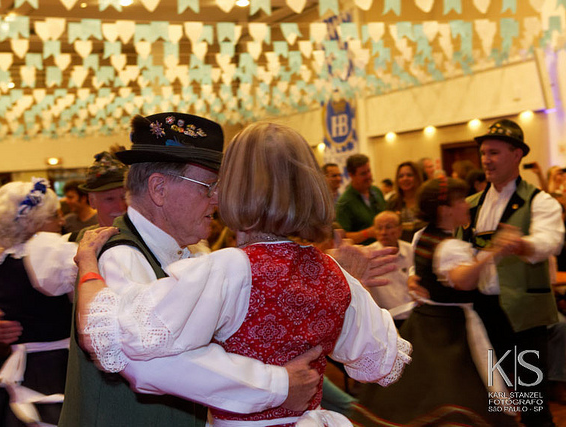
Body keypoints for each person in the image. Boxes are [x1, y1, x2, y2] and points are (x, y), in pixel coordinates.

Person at [75, 122, 412, 427]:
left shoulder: (224, 268)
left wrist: (88, 272)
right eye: (208, 185)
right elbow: (379, 362)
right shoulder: (333, 272)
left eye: (218, 186)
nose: (215, 198)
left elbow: (112, 333)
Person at [57, 114, 326, 427]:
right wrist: (278, 385)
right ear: (159, 189)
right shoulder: (119, 256)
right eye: (208, 187)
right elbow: (154, 365)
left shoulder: (193, 252)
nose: (217, 200)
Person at [355, 177, 518, 426]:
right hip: (447, 330)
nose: (466, 205)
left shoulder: (423, 235)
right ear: (445, 209)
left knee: (422, 393)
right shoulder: (449, 245)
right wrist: (495, 251)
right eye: (461, 201)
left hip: (424, 322)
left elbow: (424, 267)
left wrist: (414, 278)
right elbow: (463, 280)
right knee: (455, 395)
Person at [458, 119, 564, 426]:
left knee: (532, 404)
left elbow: (550, 241)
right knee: (495, 399)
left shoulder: (540, 201)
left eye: (494, 153)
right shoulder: (471, 205)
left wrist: (523, 245)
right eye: (483, 153)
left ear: (517, 154)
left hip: (523, 316)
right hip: (483, 314)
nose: (486, 160)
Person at [0, 178, 76, 426]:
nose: (61, 220)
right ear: (36, 220)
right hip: (63, 366)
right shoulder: (53, 251)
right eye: (54, 214)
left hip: (22, 366)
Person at [366, 211, 413, 328]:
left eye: (388, 227)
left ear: (400, 230)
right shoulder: (367, 256)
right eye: (379, 228)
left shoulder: (411, 251)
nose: (383, 232)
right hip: (385, 320)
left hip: (412, 316)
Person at [336, 154, 386, 245]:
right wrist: (367, 233)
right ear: (351, 175)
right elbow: (342, 237)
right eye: (363, 173)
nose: (368, 176)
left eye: (369, 171)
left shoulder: (377, 191)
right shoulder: (344, 202)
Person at [386, 161, 424, 242]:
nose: (405, 179)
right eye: (401, 176)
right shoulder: (393, 202)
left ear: (417, 177)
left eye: (409, 175)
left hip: (423, 245)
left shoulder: (426, 199)